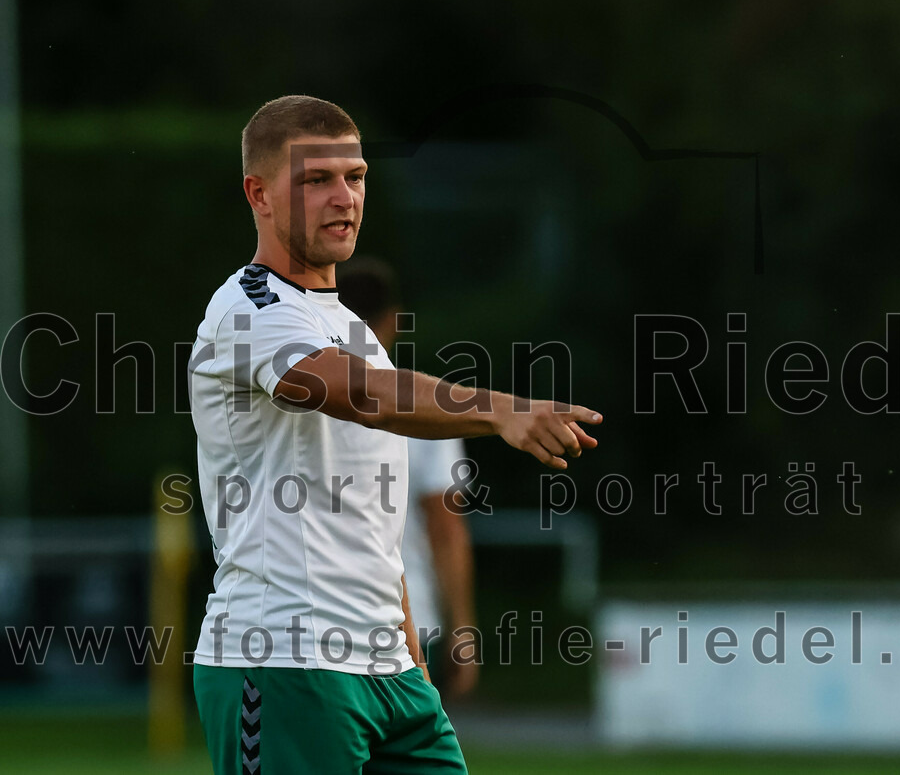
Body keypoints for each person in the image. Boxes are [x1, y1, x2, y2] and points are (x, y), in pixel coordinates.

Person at [188, 95, 601, 774]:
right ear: (258, 194)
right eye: (316, 180)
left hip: (390, 673)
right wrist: (499, 408)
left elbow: (373, 515)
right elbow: (356, 396)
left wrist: (408, 651)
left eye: (354, 176)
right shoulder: (249, 307)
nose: (343, 196)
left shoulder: (352, 329)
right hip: (284, 663)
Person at [336, 260, 479, 701]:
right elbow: (445, 526)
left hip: (318, 620)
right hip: (407, 621)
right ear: (394, 319)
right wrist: (464, 629)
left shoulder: (301, 398)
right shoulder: (423, 407)